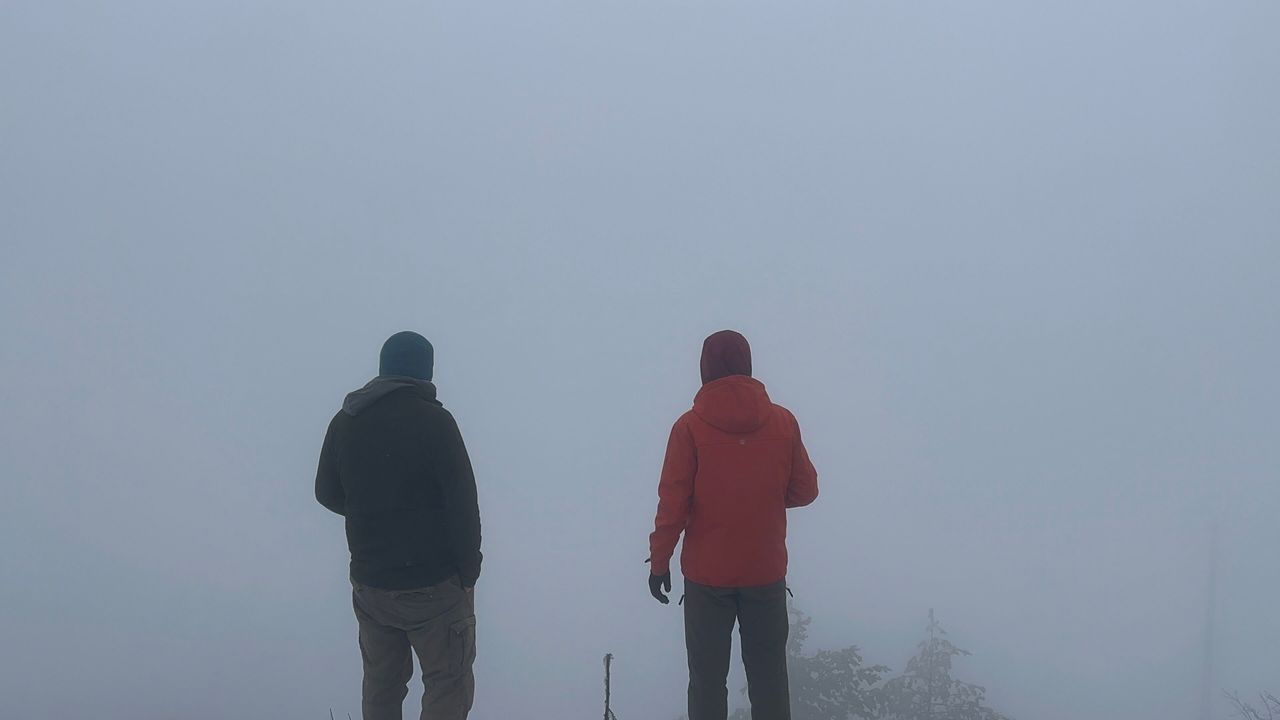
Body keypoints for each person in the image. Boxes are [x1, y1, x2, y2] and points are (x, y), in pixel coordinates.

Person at [648, 330, 819, 720]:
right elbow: (806, 490)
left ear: (705, 369)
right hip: (765, 573)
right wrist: (762, 500)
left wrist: (660, 563)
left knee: (707, 682)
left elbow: (673, 503)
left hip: (708, 580)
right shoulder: (783, 421)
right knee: (769, 681)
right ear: (748, 364)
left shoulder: (689, 428)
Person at [316, 331, 482, 720]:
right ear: (425, 371)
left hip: (372, 584)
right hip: (435, 586)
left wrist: (373, 515)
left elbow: (326, 492)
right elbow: (463, 503)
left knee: (381, 687)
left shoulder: (346, 421)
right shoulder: (436, 421)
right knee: (447, 685)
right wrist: (468, 570)